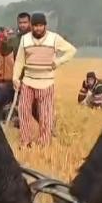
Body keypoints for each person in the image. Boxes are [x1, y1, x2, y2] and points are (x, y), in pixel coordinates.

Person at [12, 12, 77, 147]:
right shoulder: (25, 39)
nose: (38, 28)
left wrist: (58, 62)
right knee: (23, 112)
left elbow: (71, 50)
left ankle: (44, 143)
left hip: (46, 82)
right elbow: (19, 61)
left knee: (45, 115)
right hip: (28, 81)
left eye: (41, 25)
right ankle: (25, 141)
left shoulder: (54, 38)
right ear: (32, 26)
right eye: (35, 26)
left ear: (45, 26)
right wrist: (15, 78)